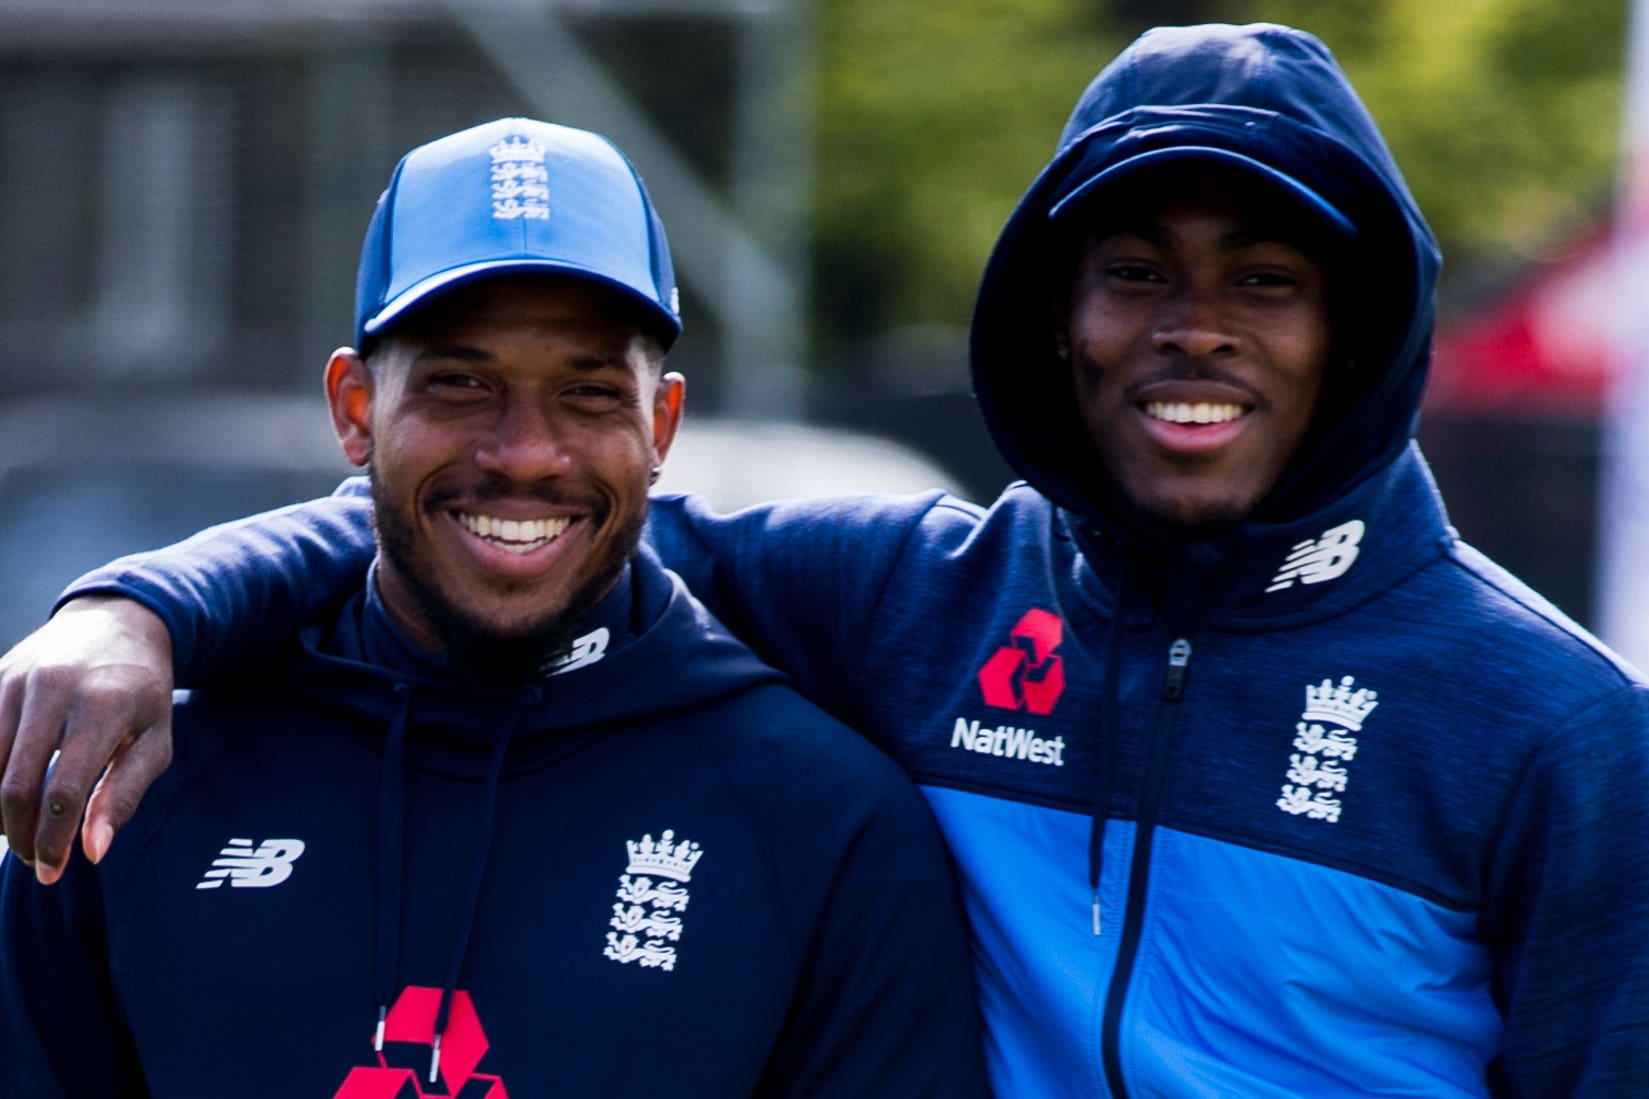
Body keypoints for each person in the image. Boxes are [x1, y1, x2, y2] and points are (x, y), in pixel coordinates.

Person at [4, 21, 1648, 1097]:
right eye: (1133, 268)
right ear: (1056, 321)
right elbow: (517, 525)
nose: (1192, 329)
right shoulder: (921, 598)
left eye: (1264, 280)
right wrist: (143, 602)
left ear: (1355, 327)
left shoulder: (1553, 729)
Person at [0, 117, 989, 1097]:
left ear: (660, 424)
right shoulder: (134, 783)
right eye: (461, 383)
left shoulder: (826, 825)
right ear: (355, 411)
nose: (522, 451)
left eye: (588, 394)